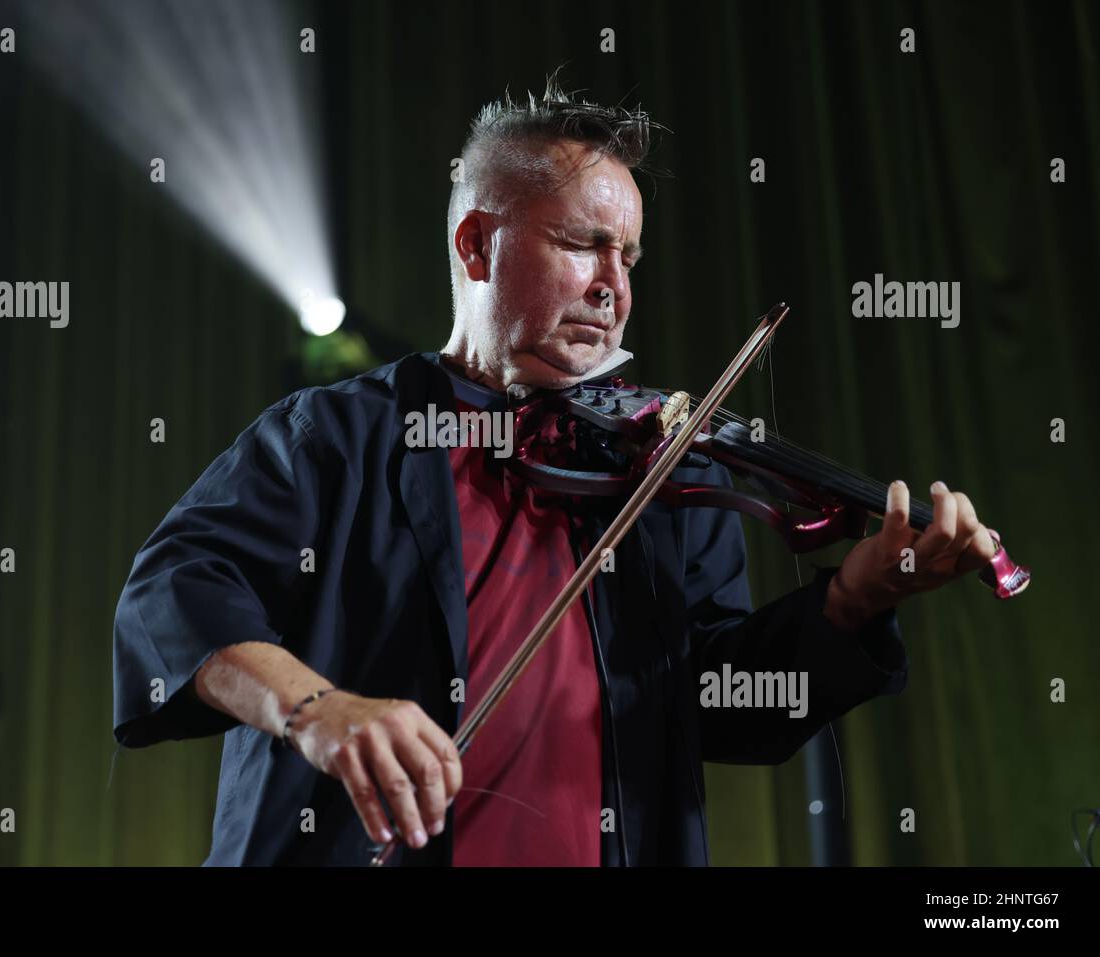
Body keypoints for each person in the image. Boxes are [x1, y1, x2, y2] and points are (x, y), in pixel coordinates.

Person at [111, 80, 1000, 866]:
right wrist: (319, 711)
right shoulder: (335, 436)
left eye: (630, 257)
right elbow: (172, 594)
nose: (614, 284)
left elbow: (722, 708)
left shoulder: (655, 467)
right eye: (583, 244)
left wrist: (852, 602)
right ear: (475, 246)